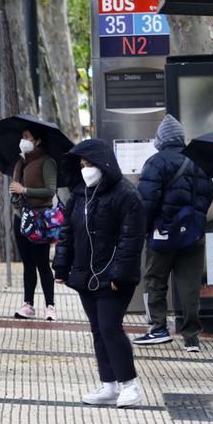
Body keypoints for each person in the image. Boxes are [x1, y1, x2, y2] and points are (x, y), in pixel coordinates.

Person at [53, 139, 147, 408]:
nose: (85, 170)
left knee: (110, 327)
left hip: (115, 277)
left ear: (104, 164)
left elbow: (131, 240)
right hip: (86, 276)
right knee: (98, 330)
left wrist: (118, 274)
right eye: (82, 165)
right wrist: (61, 266)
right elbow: (68, 233)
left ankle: (130, 384)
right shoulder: (79, 196)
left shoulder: (126, 195)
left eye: (90, 164)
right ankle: (109, 384)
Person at [134, 115, 213, 351]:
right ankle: (192, 338)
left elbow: (146, 202)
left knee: (154, 280)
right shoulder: (198, 162)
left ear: (161, 139)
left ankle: (158, 328)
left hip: (163, 234)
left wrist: (145, 229)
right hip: (193, 235)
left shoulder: (156, 162)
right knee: (189, 285)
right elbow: (207, 195)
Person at [9, 126, 59, 320]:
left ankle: (50, 306)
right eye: (22, 136)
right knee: (27, 264)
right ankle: (27, 304)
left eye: (27, 137)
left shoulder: (46, 162)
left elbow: (50, 191)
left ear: (37, 140)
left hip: (39, 219)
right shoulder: (20, 162)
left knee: (42, 264)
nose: (23, 140)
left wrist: (24, 190)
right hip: (20, 218)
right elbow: (18, 189)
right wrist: (16, 192)